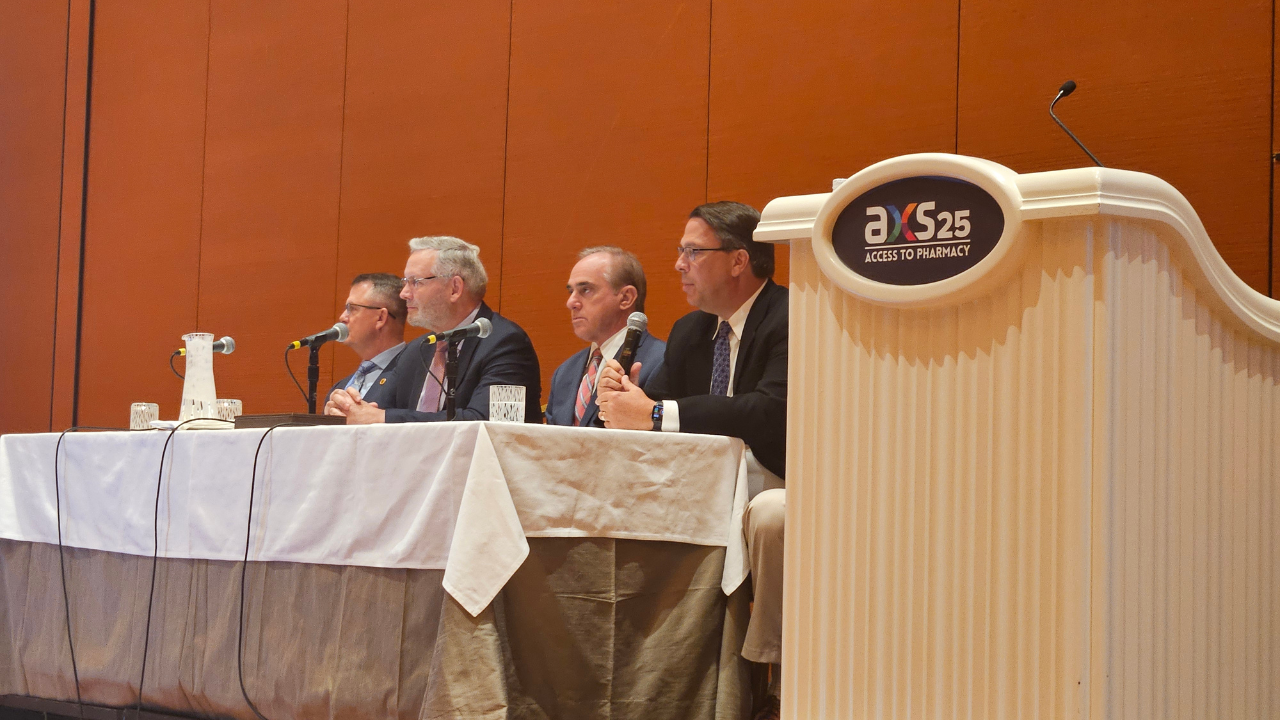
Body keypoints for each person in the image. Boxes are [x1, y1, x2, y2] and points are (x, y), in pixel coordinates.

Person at [595, 201, 787, 718]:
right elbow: (654, 410)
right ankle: (657, 669)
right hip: (706, 485)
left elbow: (769, 411)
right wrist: (625, 401)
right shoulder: (690, 331)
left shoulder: (791, 316)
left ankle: (778, 679)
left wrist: (654, 413)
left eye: (693, 252)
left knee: (771, 517)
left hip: (780, 473)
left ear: (738, 260)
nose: (679, 264)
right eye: (680, 252)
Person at [326, 235, 542, 423]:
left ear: (455, 288)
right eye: (405, 282)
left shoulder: (507, 344)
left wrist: (382, 418)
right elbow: (374, 408)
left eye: (416, 282)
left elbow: (494, 422)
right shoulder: (416, 351)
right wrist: (345, 408)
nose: (404, 294)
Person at [545, 246, 665, 427]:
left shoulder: (662, 362)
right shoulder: (564, 372)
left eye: (586, 290)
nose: (571, 302)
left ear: (626, 298)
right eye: (571, 292)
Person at [326, 273, 407, 408]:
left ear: (380, 318)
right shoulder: (339, 388)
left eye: (352, 309)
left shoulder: (413, 376)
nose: (342, 317)